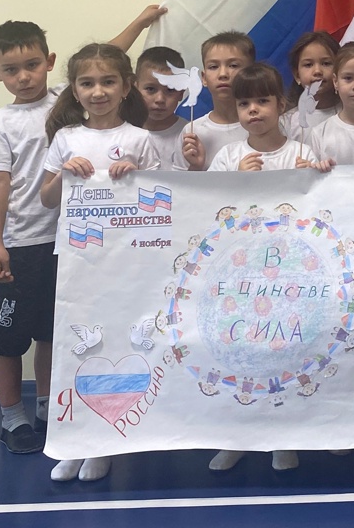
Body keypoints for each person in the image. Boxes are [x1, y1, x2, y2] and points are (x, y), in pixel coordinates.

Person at [39, 44, 160, 483]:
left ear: (126, 87)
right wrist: (64, 173)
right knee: (78, 346)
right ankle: (75, 440)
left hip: (126, 260)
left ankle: (104, 442)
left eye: (108, 82)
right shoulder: (66, 138)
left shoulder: (139, 139)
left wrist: (136, 175)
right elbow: (47, 199)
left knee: (116, 344)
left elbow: (159, 202)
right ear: (74, 90)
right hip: (78, 259)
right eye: (87, 83)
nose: (98, 91)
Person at [206, 62, 320, 473]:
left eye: (262, 101)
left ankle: (282, 437)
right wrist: (235, 180)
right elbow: (208, 208)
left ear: (281, 105)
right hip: (241, 276)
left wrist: (314, 177)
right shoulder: (229, 156)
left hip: (288, 276)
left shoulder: (301, 154)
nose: (253, 110)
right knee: (241, 355)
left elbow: (320, 207)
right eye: (244, 103)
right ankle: (238, 437)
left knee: (282, 353)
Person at [0, 21, 60, 456]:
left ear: (50, 62)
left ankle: (46, 407)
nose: (24, 77)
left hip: (68, 242)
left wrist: (139, 22)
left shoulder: (68, 102)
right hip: (22, 244)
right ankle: (12, 418)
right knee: (8, 339)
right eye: (11, 70)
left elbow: (106, 57)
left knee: (52, 333)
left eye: (32, 65)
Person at [184, 31, 256, 170]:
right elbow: (179, 182)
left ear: (252, 73)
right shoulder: (192, 132)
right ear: (204, 78)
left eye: (233, 65)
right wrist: (196, 166)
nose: (223, 74)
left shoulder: (266, 125)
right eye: (213, 67)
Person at [280, 31, 340, 144]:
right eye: (308, 65)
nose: (317, 71)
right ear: (297, 75)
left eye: (326, 63)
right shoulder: (286, 123)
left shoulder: (352, 113)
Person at [136, 45, 189, 170]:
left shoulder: (189, 134)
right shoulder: (123, 132)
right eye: (150, 89)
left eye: (170, 90)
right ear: (135, 88)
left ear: (181, 93)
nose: (160, 99)